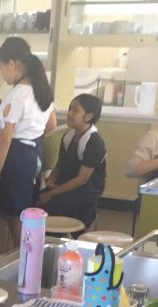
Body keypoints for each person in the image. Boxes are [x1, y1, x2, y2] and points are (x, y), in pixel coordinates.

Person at [0, 37, 56, 247]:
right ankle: (26, 257)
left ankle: (24, 259)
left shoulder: (16, 96)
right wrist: (32, 131)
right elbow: (51, 126)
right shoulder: (42, 91)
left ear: (12, 63)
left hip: (17, 158)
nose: (2, 74)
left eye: (2, 68)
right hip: (35, 155)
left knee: (14, 216)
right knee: (27, 213)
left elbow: (5, 140)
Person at [37, 94, 106, 229]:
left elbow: (82, 179)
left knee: (52, 205)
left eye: (75, 110)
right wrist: (52, 178)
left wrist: (51, 194)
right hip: (66, 184)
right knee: (36, 198)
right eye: (70, 108)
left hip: (86, 190)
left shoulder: (94, 143)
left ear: (88, 116)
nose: (69, 113)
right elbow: (61, 163)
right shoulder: (68, 136)